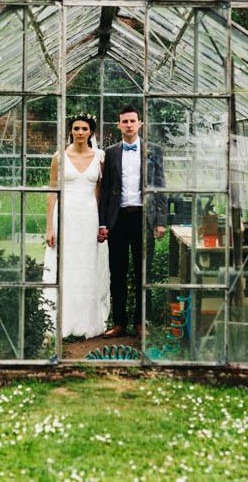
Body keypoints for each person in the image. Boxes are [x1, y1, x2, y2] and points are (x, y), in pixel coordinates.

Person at [98, 105, 166, 339]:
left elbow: (160, 187)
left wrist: (160, 221)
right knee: (117, 273)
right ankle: (119, 323)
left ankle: (139, 322)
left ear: (140, 124)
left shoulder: (154, 151)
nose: (128, 125)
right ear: (118, 125)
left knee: (142, 273)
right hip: (118, 220)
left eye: (132, 121)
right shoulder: (111, 152)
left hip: (143, 219)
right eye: (124, 121)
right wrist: (103, 223)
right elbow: (105, 190)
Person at [43, 113, 110, 338]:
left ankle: (86, 320)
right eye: (76, 128)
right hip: (65, 214)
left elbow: (100, 192)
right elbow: (52, 192)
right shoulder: (58, 157)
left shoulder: (99, 157)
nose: (80, 132)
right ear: (70, 131)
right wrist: (49, 227)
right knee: (66, 263)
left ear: (91, 132)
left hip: (88, 216)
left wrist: (101, 223)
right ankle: (61, 319)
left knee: (87, 265)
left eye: (84, 128)